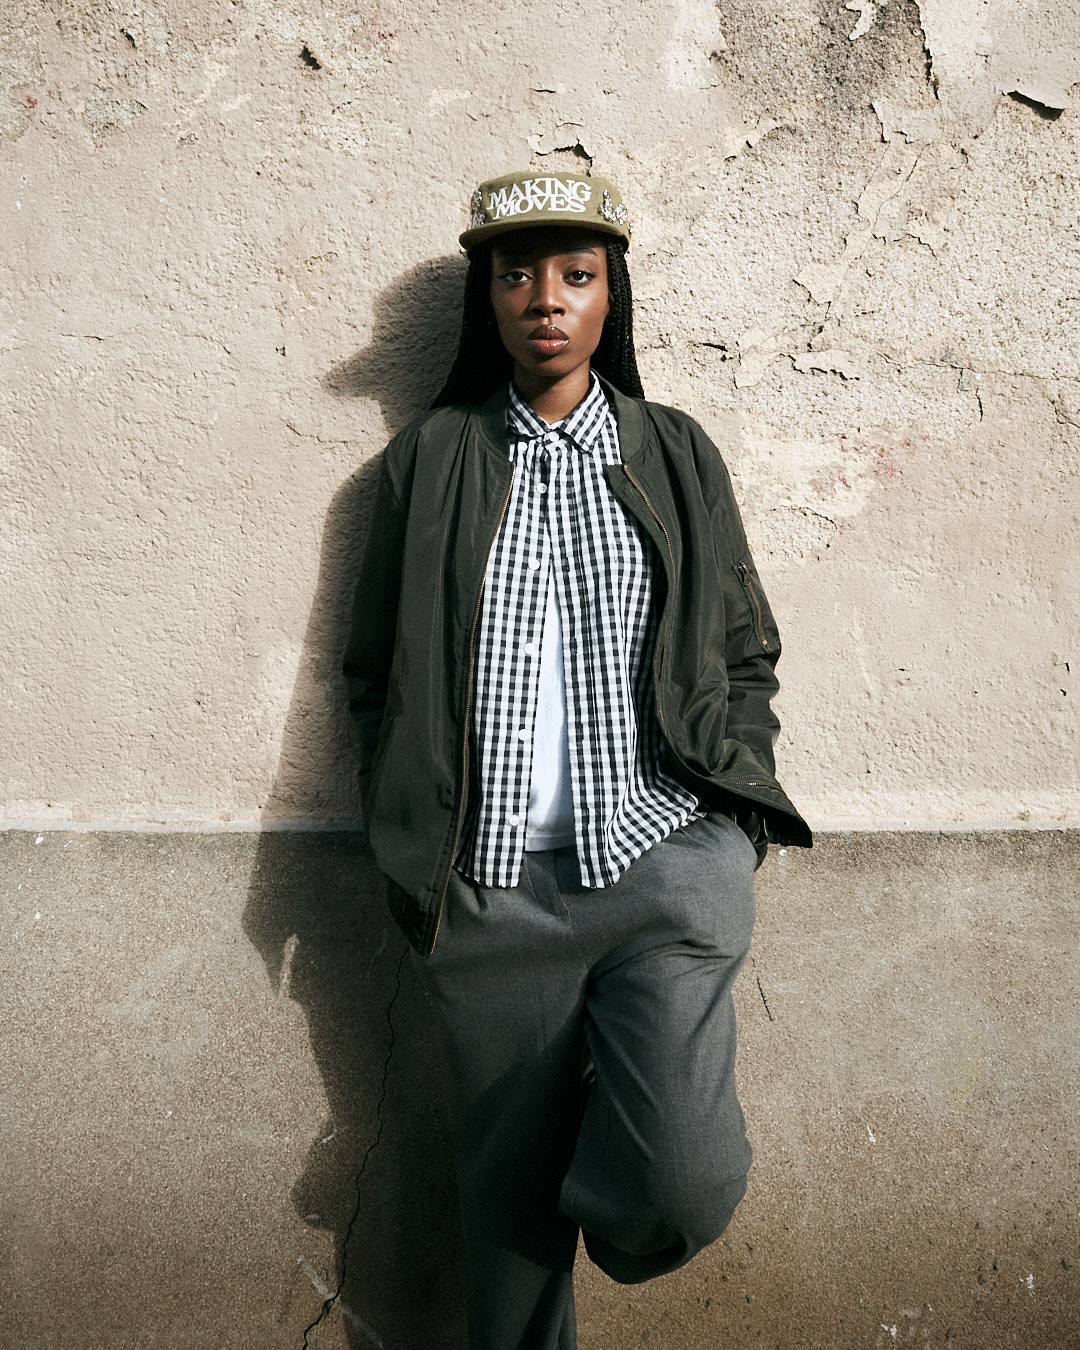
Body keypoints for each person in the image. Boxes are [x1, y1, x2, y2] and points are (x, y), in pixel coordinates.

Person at [343, 169, 812, 1350]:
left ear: (612, 296)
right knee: (508, 1237)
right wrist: (410, 845)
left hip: (661, 867)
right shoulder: (430, 460)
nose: (545, 298)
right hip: (490, 892)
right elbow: (373, 673)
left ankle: (610, 1105)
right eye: (517, 275)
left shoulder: (674, 451)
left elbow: (744, 650)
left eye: (576, 275)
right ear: (488, 300)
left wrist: (729, 837)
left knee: (680, 1184)